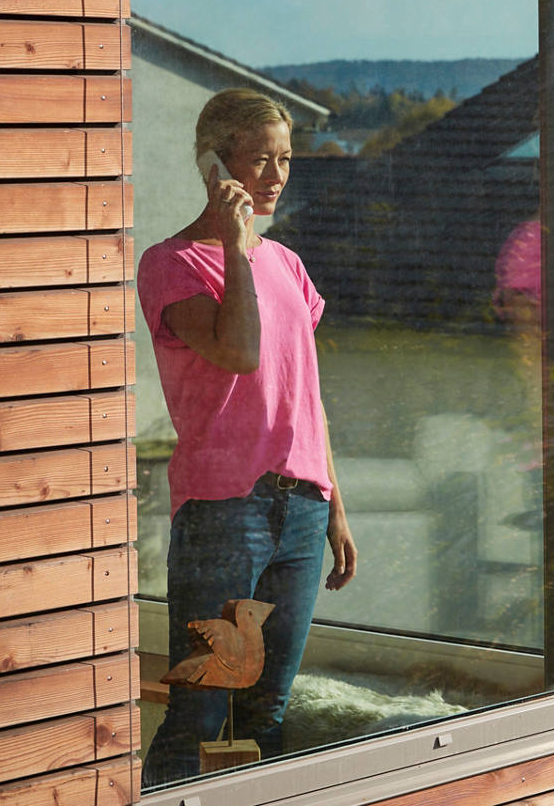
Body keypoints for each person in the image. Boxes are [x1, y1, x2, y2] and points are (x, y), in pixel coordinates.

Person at [137, 88, 357, 787]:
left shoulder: (289, 264)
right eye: (259, 158)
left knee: (268, 712)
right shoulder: (171, 263)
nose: (276, 175)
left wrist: (336, 504)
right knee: (200, 710)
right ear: (215, 162)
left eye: (285, 158)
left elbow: (306, 395)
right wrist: (235, 247)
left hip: (303, 511)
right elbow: (239, 352)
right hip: (225, 512)